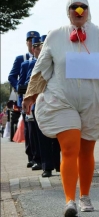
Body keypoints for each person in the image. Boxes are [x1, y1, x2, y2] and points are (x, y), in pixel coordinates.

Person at [22, 0, 99, 216]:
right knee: (70, 147)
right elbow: (42, 67)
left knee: (86, 150)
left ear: (88, 10)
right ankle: (69, 200)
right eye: (73, 8)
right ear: (67, 11)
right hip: (61, 99)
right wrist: (31, 94)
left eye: (82, 7)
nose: (78, 11)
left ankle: (85, 195)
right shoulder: (55, 35)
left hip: (93, 100)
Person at [26, 35, 61, 178]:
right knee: (43, 137)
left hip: (58, 104)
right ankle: (47, 167)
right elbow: (30, 82)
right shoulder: (32, 64)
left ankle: (58, 164)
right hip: (40, 105)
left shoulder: (59, 63)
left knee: (58, 136)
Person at [8, 30, 40, 141]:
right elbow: (11, 76)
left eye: (34, 41)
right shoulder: (21, 58)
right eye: (30, 41)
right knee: (29, 128)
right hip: (25, 97)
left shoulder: (45, 57)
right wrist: (20, 88)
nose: (32, 43)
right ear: (26, 43)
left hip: (40, 96)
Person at [19, 37, 42, 170]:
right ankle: (35, 158)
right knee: (32, 132)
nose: (39, 50)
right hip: (32, 100)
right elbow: (21, 82)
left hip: (47, 99)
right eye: (37, 48)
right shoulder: (26, 62)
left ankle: (49, 160)